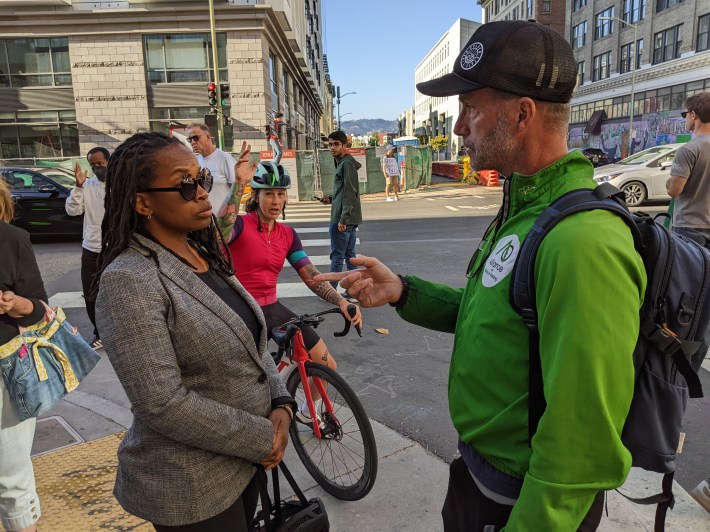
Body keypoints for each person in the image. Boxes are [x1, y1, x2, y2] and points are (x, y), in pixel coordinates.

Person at [315, 20, 646, 531]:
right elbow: (492, 314)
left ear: (521, 114)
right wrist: (405, 292)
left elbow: (582, 447)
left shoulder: (583, 241)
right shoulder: (526, 206)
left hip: (523, 503)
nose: (457, 127)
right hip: (480, 477)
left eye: (471, 107)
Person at [94, 132, 295, 531]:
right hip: (191, 486)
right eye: (186, 184)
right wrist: (262, 437)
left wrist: (282, 403)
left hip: (244, 466)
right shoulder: (129, 280)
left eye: (202, 179)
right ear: (142, 202)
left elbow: (254, 347)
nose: (203, 192)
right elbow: (161, 402)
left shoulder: (201, 253)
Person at [217, 160, 362, 427]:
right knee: (246, 383)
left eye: (281, 194)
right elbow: (221, 233)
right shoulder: (240, 226)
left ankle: (308, 409)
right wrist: (237, 186)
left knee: (327, 364)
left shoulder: (287, 234)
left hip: (272, 308)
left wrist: (341, 300)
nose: (276, 200)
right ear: (256, 195)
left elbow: (310, 275)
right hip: (239, 310)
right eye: (269, 194)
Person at [0, 178, 45, 532]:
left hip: (4, 367)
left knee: (11, 479)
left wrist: (16, 304)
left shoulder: (11, 240)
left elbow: (38, 309)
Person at [65, 146, 110, 349]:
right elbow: (72, 210)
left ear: (109, 162)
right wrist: (78, 187)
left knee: (119, 293)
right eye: (93, 165)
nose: (97, 168)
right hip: (92, 248)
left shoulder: (121, 184)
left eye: (100, 163)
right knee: (91, 294)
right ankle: (100, 333)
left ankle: (119, 332)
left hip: (116, 248)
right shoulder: (87, 186)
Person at [666, 92, 710, 250]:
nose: (685, 118)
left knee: (688, 273)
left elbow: (674, 190)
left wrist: (669, 181)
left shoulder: (689, 149)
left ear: (693, 115)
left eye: (685, 114)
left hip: (690, 226)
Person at [327, 130, 362, 296]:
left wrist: (343, 219)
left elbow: (350, 192)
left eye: (336, 144)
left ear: (344, 145)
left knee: (337, 256)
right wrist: (330, 198)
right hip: (347, 217)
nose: (332, 148)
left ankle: (331, 291)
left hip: (342, 218)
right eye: (330, 144)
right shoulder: (342, 163)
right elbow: (343, 191)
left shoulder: (346, 164)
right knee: (350, 256)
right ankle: (354, 289)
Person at [185, 123, 236, 213]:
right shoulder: (195, 162)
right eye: (190, 139)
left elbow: (236, 192)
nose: (193, 142)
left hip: (221, 221)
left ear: (208, 137)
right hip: (202, 220)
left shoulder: (225, 158)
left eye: (196, 138)